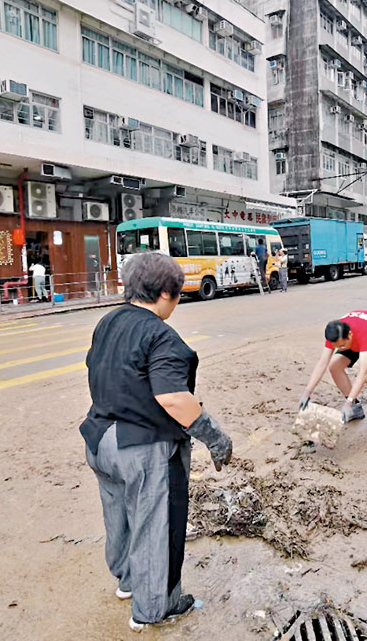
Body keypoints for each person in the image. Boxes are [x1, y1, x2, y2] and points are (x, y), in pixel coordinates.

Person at [79, 252, 233, 633]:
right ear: (166, 293)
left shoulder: (108, 322)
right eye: (178, 295)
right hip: (142, 448)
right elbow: (172, 398)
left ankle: (128, 581)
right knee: (155, 525)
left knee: (119, 515)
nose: (177, 303)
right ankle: (155, 607)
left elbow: (98, 368)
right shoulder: (162, 336)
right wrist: (216, 437)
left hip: (100, 440)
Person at [299, 310, 367, 429]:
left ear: (349, 335)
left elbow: (363, 373)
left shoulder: (364, 333)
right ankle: (355, 409)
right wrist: (307, 393)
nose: (339, 349)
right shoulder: (335, 334)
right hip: (353, 340)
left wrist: (347, 402)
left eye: (341, 346)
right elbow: (322, 363)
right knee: (334, 366)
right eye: (336, 346)